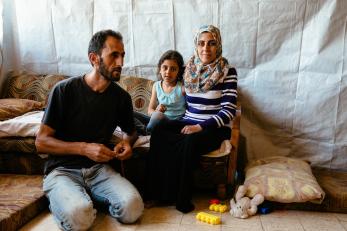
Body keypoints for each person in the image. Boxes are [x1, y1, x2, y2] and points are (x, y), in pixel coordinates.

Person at [35, 29, 144, 230]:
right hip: (62, 170)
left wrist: (127, 143)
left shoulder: (121, 98)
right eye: (114, 55)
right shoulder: (64, 90)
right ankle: (68, 201)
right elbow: (41, 142)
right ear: (94, 58)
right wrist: (84, 148)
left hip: (99, 170)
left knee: (133, 209)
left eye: (122, 55)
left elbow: (132, 132)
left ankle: (84, 200)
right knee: (79, 218)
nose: (121, 62)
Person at [145, 25, 238, 213]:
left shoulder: (228, 72)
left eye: (212, 43)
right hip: (188, 121)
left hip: (214, 127)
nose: (206, 48)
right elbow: (169, 84)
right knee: (159, 132)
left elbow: (228, 111)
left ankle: (182, 200)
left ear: (218, 45)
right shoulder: (189, 70)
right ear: (196, 45)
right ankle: (158, 194)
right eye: (201, 43)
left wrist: (199, 127)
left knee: (189, 140)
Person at [134, 50, 186, 133]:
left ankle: (146, 131)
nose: (168, 72)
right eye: (165, 67)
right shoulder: (156, 85)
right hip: (157, 121)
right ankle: (148, 130)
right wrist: (156, 111)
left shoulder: (182, 88)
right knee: (129, 113)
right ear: (160, 69)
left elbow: (189, 111)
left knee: (158, 116)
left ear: (179, 71)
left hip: (174, 124)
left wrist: (157, 114)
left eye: (173, 69)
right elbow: (150, 110)